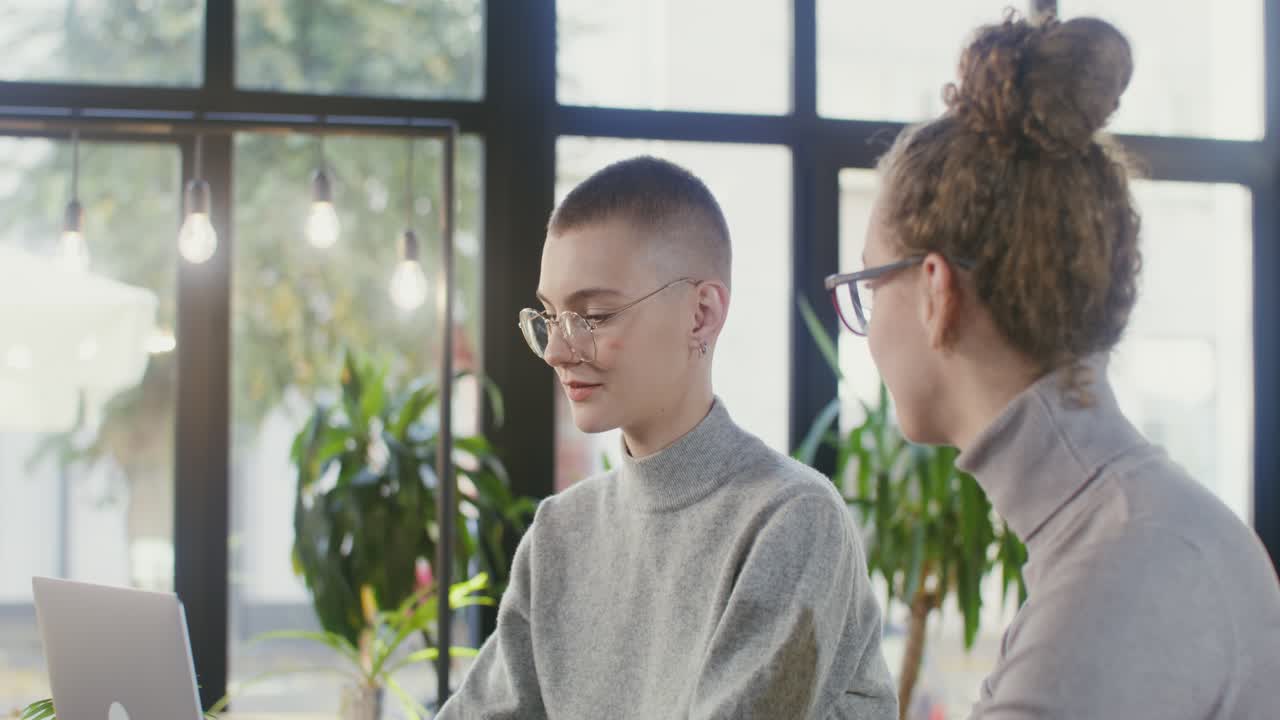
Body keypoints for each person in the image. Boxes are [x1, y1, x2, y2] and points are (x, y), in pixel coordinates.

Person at [824, 12, 1280, 719]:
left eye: (869, 286)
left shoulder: (1123, 576)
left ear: (936, 293)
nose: (866, 328)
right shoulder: (1133, 533)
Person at [437, 156, 897, 719]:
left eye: (594, 316)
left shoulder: (792, 518)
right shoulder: (559, 532)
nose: (556, 350)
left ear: (701, 315)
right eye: (550, 317)